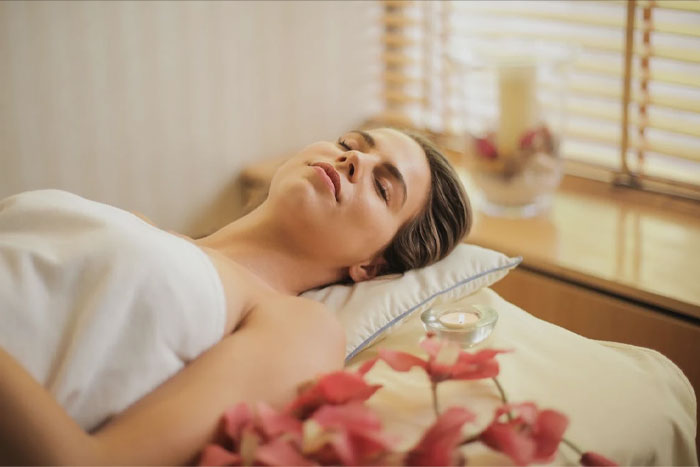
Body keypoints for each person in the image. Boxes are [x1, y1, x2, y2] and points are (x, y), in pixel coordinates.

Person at [0, 127, 471, 465]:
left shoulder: (296, 325)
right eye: (350, 144)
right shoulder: (138, 225)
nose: (354, 161)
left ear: (371, 267)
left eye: (382, 185)